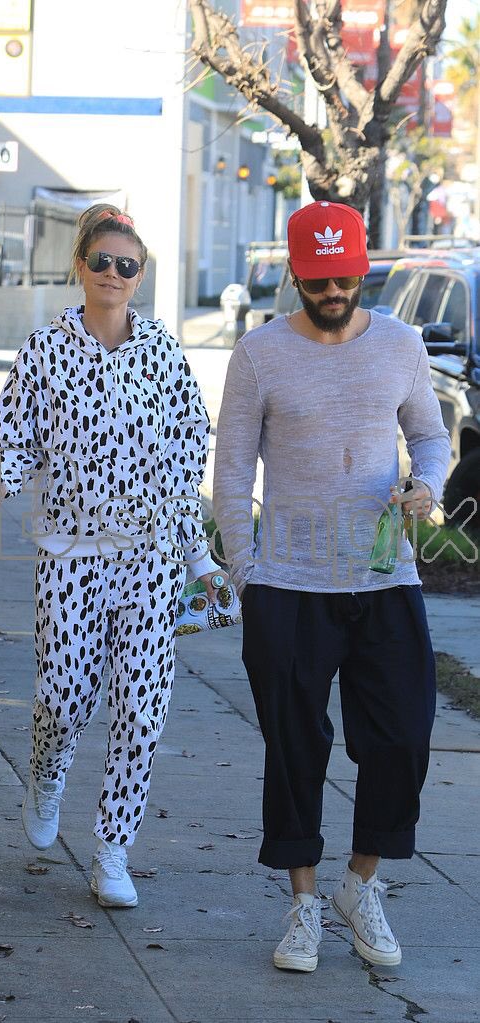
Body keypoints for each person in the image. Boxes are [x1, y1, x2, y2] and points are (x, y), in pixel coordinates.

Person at [213, 201, 451, 972]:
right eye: (318, 280)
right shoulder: (258, 353)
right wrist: (247, 574)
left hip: (385, 577)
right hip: (287, 583)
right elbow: (231, 471)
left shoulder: (402, 344)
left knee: (404, 737)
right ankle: (304, 903)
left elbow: (430, 434)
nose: (334, 290)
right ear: (296, 275)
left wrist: (428, 486)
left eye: (345, 276)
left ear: (362, 269)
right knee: (295, 746)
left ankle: (360, 884)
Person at [0, 204, 222, 908]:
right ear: (80, 265)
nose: (114, 273)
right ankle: (47, 771)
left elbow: (185, 453)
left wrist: (196, 556)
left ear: (139, 276)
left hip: (149, 560)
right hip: (72, 554)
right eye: (102, 261)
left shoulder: (164, 353)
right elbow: (16, 440)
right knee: (63, 695)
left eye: (127, 264)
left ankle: (113, 850)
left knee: (142, 710)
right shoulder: (45, 348)